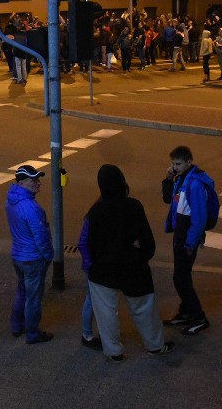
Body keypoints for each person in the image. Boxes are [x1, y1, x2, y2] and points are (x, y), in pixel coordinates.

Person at [87, 164, 174, 362]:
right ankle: (155, 345)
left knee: (106, 312)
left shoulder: (96, 211)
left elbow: (92, 245)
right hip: (133, 268)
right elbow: (148, 243)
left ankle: (113, 351)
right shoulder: (133, 206)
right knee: (144, 308)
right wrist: (138, 251)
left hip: (104, 270)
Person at [161, 146, 212, 335]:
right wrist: (168, 179)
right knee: (182, 276)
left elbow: (199, 218)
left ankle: (199, 317)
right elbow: (168, 199)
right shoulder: (181, 178)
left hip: (187, 238)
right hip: (180, 235)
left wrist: (190, 244)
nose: (175, 167)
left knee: (180, 278)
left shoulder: (195, 184)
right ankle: (186, 312)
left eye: (178, 164)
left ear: (189, 162)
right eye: (173, 163)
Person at [6, 165, 54, 344]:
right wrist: (49, 255)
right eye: (33, 181)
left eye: (38, 179)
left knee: (22, 291)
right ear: (21, 183)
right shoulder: (32, 208)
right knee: (34, 298)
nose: (38, 183)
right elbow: (41, 236)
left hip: (17, 255)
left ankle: (17, 325)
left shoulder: (11, 200)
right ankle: (33, 333)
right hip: (33, 258)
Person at [76, 216, 103, 352]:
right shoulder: (95, 217)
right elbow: (82, 243)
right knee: (93, 299)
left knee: (92, 299)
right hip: (95, 267)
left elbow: (82, 242)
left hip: (93, 266)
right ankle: (88, 334)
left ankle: (89, 334)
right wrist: (90, 264)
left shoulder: (92, 216)